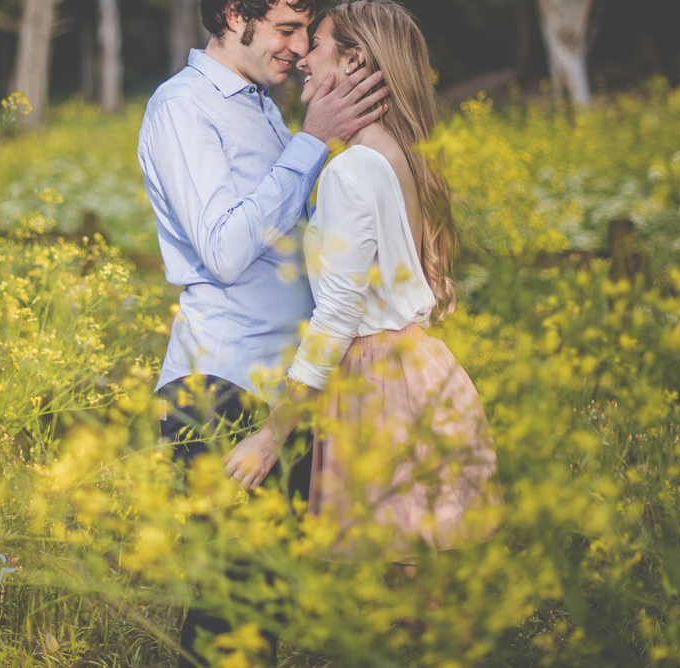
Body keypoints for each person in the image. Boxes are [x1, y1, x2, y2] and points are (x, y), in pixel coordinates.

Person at [137, 0, 389, 664]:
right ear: (232, 15)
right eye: (285, 29)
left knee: (263, 611)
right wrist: (312, 141)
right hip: (218, 382)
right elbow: (223, 249)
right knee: (234, 611)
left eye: (307, 31)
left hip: (283, 392)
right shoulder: (183, 107)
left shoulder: (262, 108)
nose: (301, 47)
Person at [225, 0, 501, 567]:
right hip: (420, 369)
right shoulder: (398, 155)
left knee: (396, 585)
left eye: (318, 43)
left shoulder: (351, 169)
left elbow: (336, 315)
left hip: (378, 385)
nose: (303, 55)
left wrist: (271, 436)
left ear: (354, 61)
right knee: (416, 581)